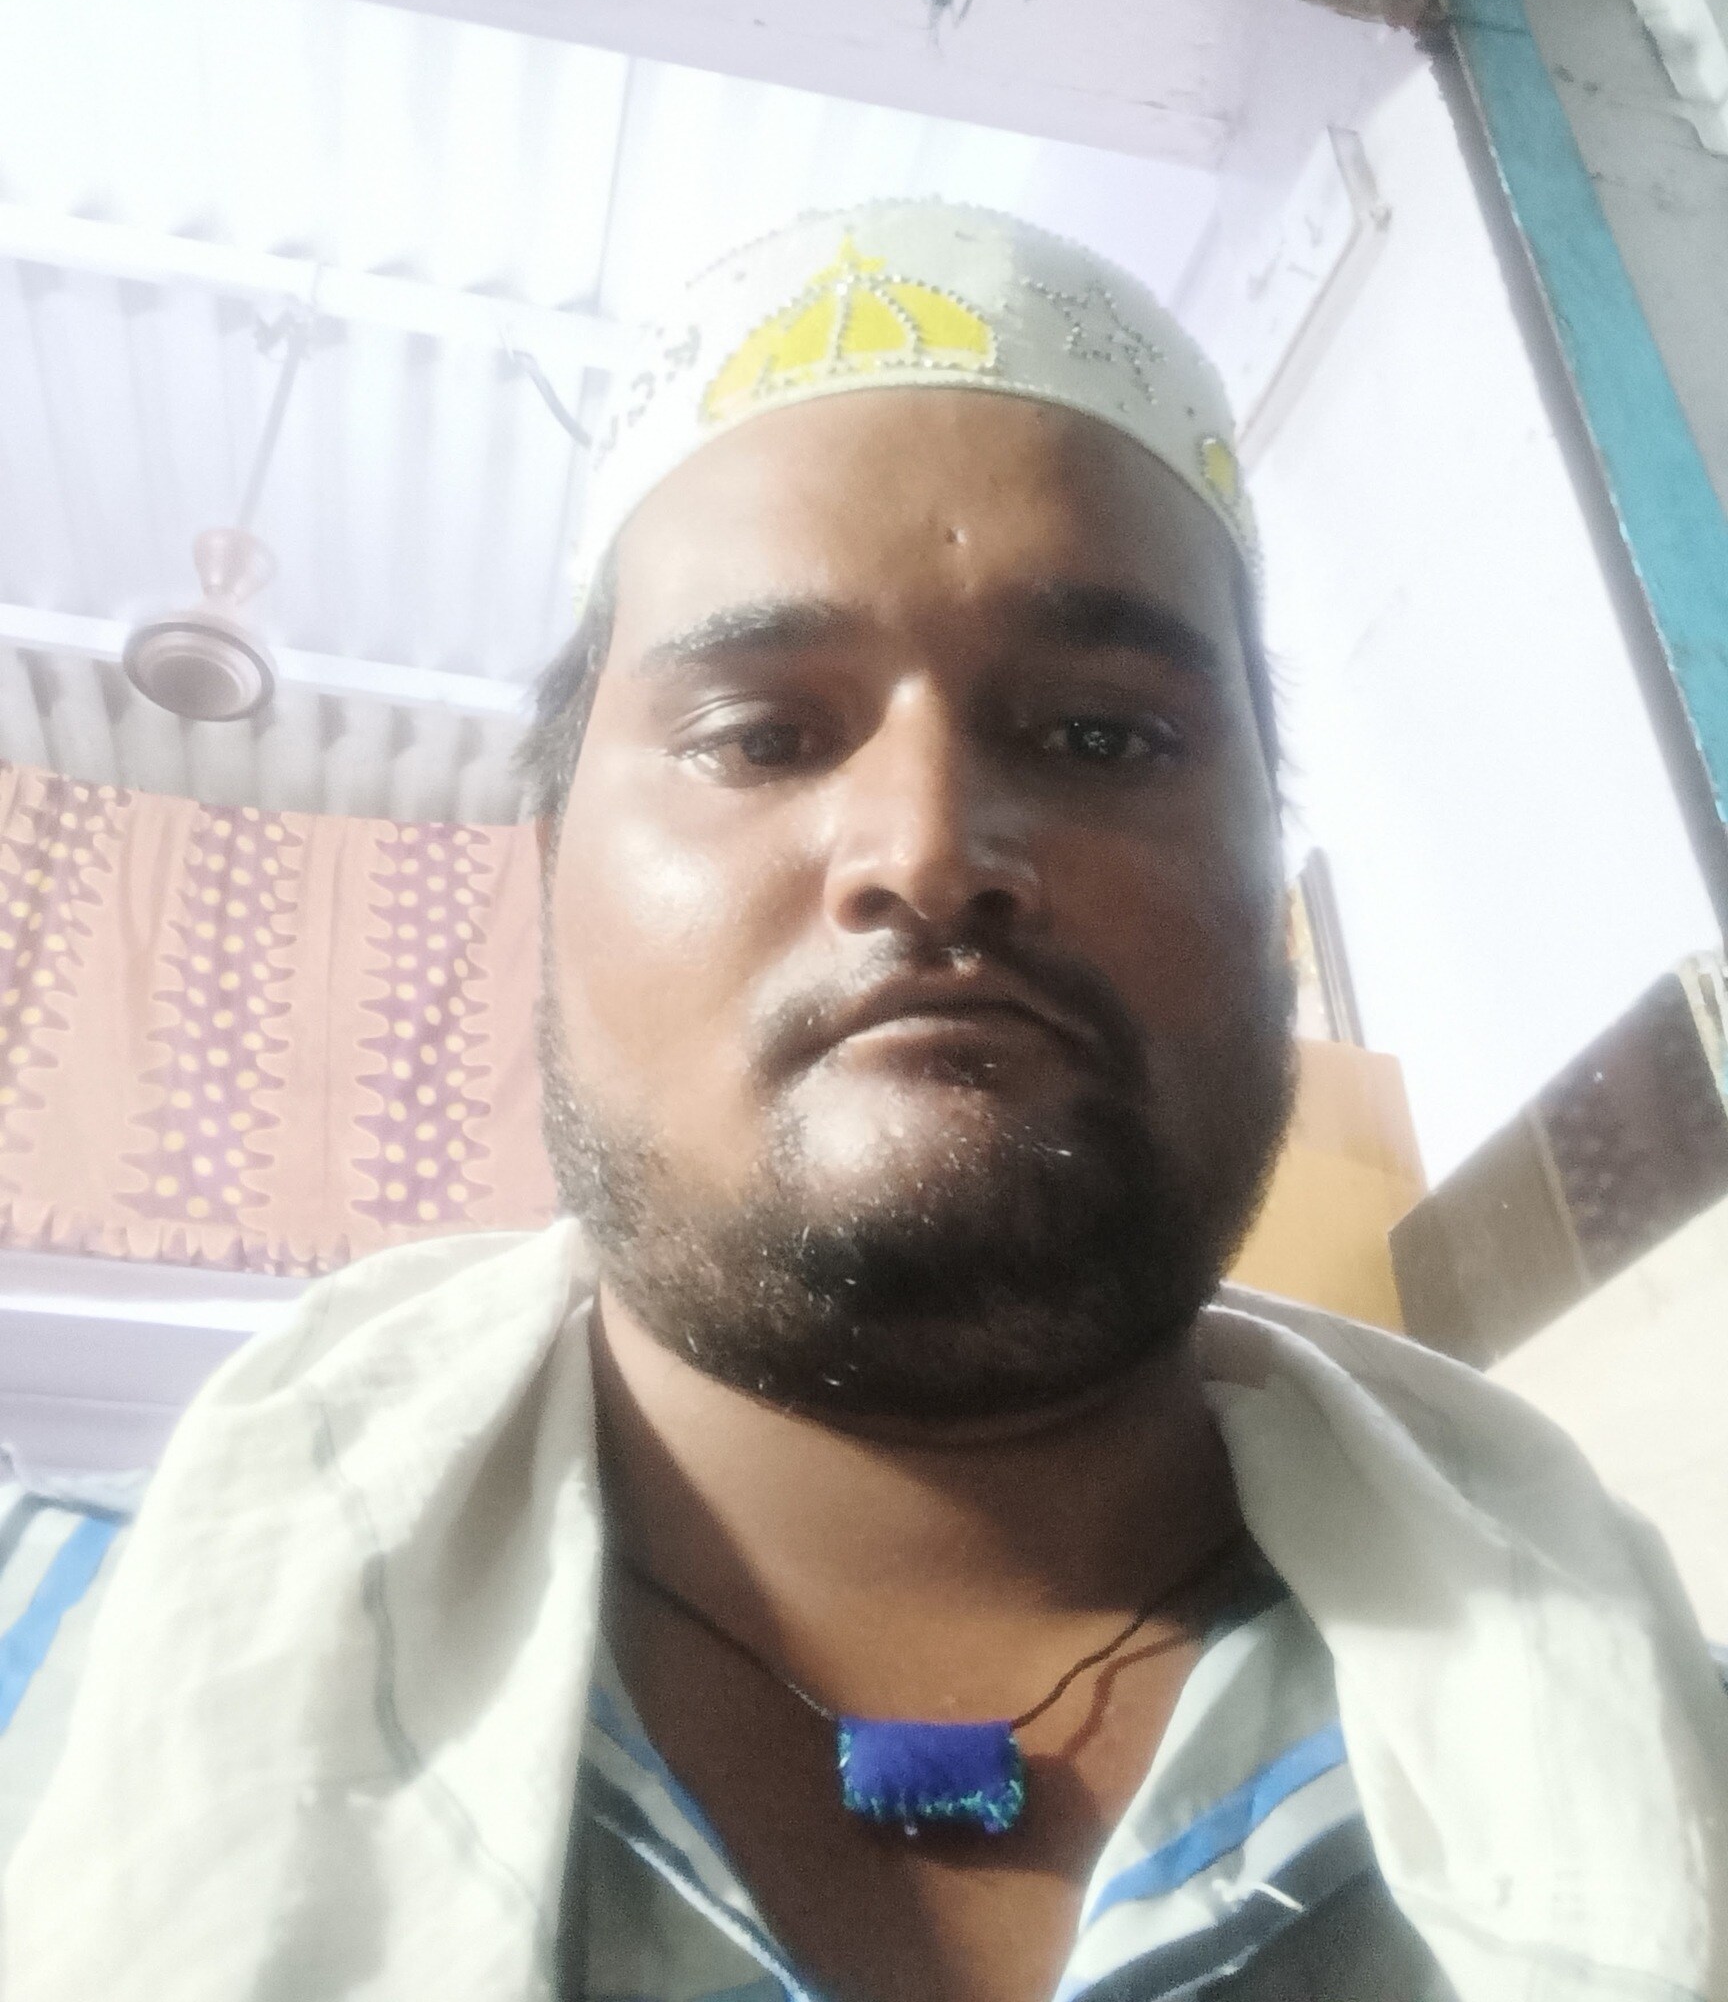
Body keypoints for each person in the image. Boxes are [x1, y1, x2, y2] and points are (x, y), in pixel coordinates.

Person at [3, 203, 1724, 2002]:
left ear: (1267, 884)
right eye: (761, 734)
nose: (927, 849)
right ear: (552, 865)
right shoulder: (59, 1693)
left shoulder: (1668, 1759)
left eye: (1102, 734)